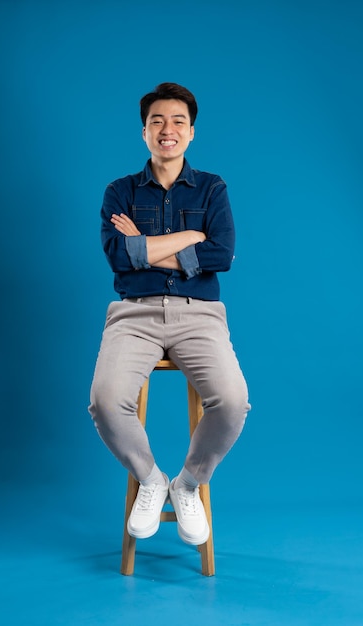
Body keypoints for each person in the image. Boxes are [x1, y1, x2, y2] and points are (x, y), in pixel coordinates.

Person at [88, 82, 251, 546]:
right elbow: (120, 259)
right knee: (105, 401)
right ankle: (151, 477)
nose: (168, 129)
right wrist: (189, 236)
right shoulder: (119, 192)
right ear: (144, 132)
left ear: (191, 132)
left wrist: (144, 245)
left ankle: (187, 483)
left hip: (199, 314)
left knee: (233, 401)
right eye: (158, 120)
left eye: (178, 121)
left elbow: (222, 255)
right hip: (133, 314)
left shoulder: (212, 188)